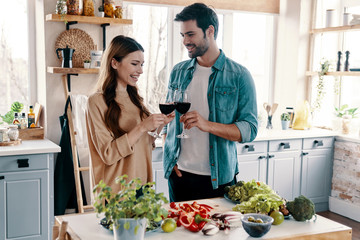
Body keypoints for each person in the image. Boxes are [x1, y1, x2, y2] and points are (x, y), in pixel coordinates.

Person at [162, 3, 258, 202]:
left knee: (218, 232)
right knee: (178, 233)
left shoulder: (239, 76)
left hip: (219, 179)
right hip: (179, 176)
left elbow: (250, 129)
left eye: (190, 34)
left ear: (210, 31)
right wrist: (170, 158)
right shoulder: (178, 71)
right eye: (182, 36)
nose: (185, 42)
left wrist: (207, 125)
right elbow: (168, 120)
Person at [86, 35, 174, 193]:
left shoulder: (135, 99)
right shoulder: (96, 102)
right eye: (134, 64)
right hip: (116, 192)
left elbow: (144, 143)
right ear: (114, 63)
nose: (140, 71)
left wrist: (160, 125)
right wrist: (141, 127)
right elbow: (108, 154)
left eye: (142, 64)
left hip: (142, 188)